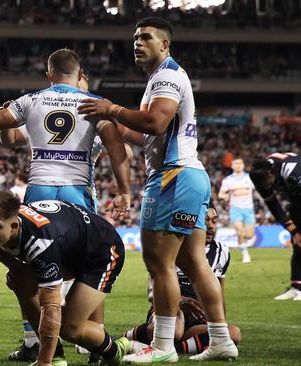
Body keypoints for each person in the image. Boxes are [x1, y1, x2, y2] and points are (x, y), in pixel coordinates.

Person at [0, 48, 132, 363]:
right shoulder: (93, 104)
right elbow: (120, 150)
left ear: (49, 74)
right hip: (77, 190)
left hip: (39, 190)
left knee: (29, 268)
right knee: (88, 258)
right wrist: (124, 191)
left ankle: (43, 344)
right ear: (80, 75)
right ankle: (93, 341)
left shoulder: (33, 100)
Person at [78, 17, 238, 362]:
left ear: (164, 45)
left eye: (146, 37)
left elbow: (155, 121)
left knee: (158, 261)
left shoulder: (165, 76)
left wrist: (112, 109)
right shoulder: (164, 76)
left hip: (172, 177)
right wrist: (118, 124)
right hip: (189, 174)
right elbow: (151, 134)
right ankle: (222, 340)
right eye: (135, 37)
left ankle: (163, 346)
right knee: (195, 262)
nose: (137, 42)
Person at [0, 192, 129, 366]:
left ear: (14, 225)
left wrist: (43, 362)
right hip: (69, 244)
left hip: (102, 252)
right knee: (21, 282)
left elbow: (51, 307)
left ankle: (115, 350)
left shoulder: (40, 242)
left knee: (70, 328)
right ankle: (56, 357)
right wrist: (16, 268)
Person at [123, 207, 242, 356]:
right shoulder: (173, 245)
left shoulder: (222, 251)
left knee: (234, 334)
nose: (211, 226)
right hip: (170, 307)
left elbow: (219, 291)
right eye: (206, 220)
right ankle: (128, 336)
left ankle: (151, 346)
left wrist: (219, 322)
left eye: (214, 221)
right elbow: (153, 288)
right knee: (175, 332)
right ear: (196, 222)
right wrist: (180, 300)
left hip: (198, 316)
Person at [249, 152, 301, 300]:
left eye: (268, 182)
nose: (267, 186)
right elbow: (273, 205)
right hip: (295, 198)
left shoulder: (293, 170)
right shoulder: (259, 176)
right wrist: (294, 231)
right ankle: (297, 286)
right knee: (297, 242)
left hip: (297, 192)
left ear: (272, 173)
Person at [219, 158, 256, 263]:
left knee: (249, 235)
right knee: (240, 232)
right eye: (235, 163)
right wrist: (224, 196)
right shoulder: (228, 180)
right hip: (235, 209)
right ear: (232, 166)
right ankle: (245, 254)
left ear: (243, 165)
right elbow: (220, 194)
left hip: (249, 209)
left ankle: (246, 239)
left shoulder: (250, 178)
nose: (238, 165)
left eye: (240, 163)